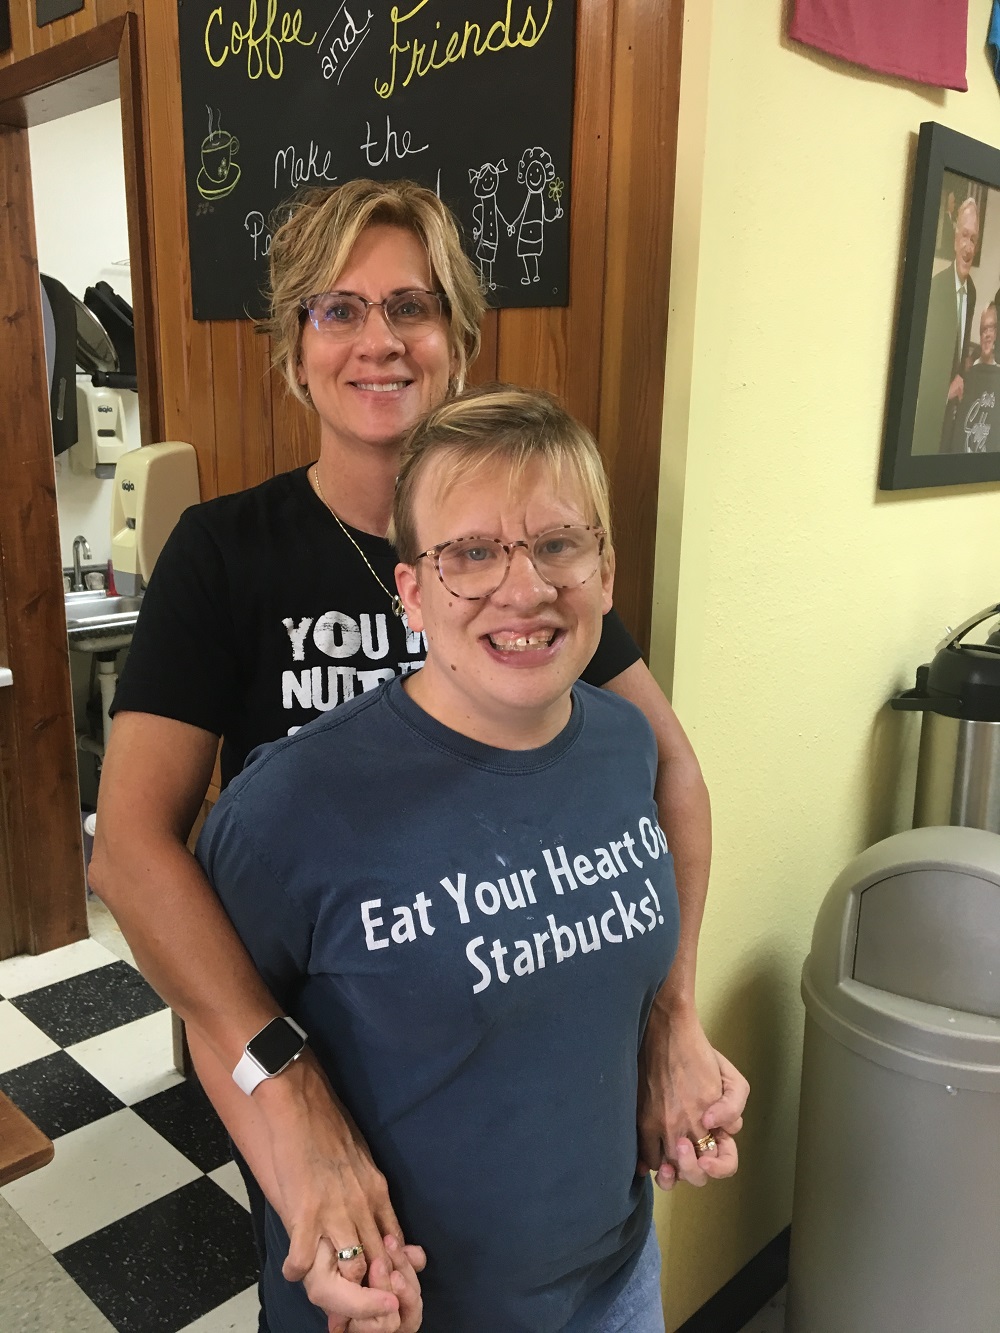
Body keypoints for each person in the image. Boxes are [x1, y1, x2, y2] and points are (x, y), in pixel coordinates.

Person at [90, 180, 747, 1330]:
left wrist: (668, 1013)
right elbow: (136, 851)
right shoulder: (226, 554)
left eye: (412, 306)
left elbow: (668, 772)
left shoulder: (525, 568)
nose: (378, 340)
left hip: (555, 1155)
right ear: (295, 351)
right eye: (337, 311)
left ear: (460, 338)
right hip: (339, 1065)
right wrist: (286, 1079)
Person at [194, 385, 731, 1332]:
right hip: (404, 1307)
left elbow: (611, 991)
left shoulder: (623, 747)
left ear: (605, 567)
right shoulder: (291, 805)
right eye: (471, 553)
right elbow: (217, 1024)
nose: (523, 588)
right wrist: (320, 1217)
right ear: (411, 592)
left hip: (615, 1281)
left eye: (559, 542)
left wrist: (677, 1036)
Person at [912, 195, 979, 456]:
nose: (968, 246)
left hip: (952, 425)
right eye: (964, 235)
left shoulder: (971, 293)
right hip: (928, 423)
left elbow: (958, 349)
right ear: (954, 239)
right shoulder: (935, 289)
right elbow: (922, 369)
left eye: (974, 239)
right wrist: (945, 393)